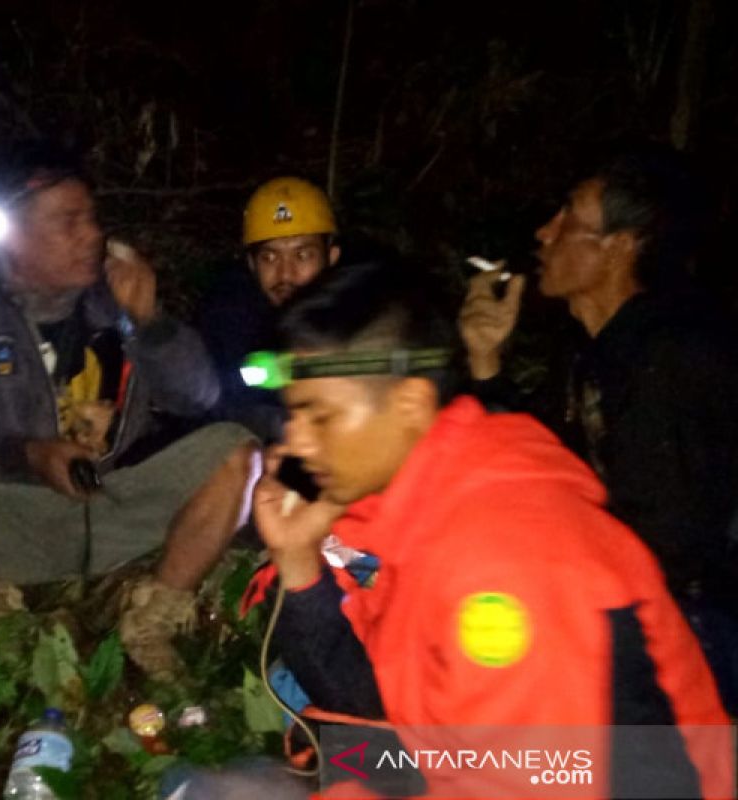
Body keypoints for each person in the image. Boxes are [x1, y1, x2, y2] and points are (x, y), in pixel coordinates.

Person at [246, 262, 731, 798]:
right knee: (340, 755)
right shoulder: (404, 513)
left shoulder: (503, 564)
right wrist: (297, 561)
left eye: (320, 417)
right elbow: (369, 701)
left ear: (408, 405)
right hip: (480, 757)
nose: (297, 443)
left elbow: (545, 777)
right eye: (293, 417)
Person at [0, 141, 257, 679]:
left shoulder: (113, 298)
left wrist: (151, 324)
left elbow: (198, 397)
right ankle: (5, 637)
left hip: (109, 501)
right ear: (12, 234)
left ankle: (154, 620)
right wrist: (25, 455)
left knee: (236, 451)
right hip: (14, 517)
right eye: (68, 222)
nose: (92, 235)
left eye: (92, 219)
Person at [458, 147, 738, 711]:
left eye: (568, 218)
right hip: (640, 611)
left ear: (621, 245)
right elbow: (528, 467)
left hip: (694, 634)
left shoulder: (671, 356)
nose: (544, 233)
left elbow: (668, 546)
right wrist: (486, 358)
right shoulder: (596, 353)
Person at [195, 177, 340, 442]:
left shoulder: (361, 307)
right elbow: (222, 400)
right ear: (251, 264)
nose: (286, 273)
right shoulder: (228, 313)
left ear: (331, 257)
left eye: (303, 255)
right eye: (270, 257)